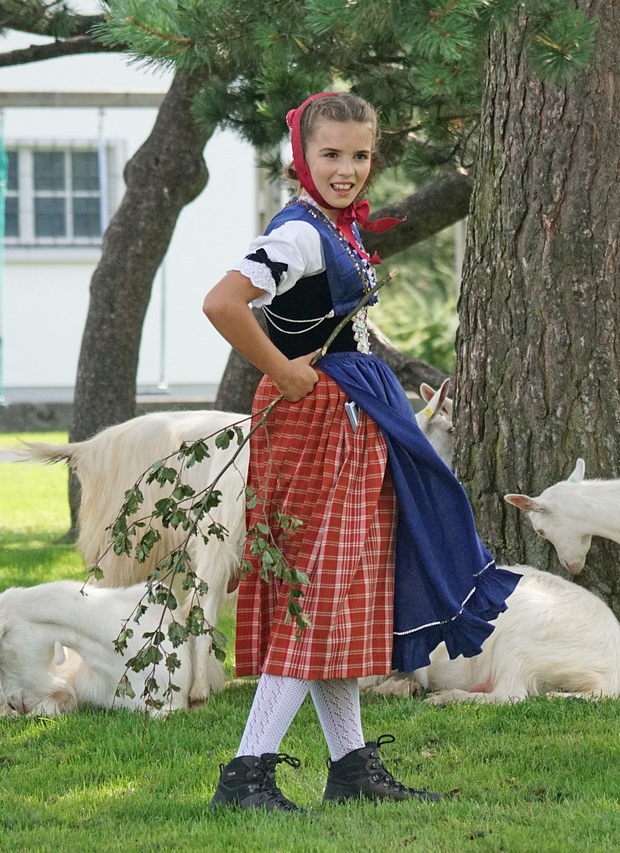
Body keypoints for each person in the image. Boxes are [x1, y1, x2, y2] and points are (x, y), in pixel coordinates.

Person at [201, 91, 520, 812]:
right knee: (314, 596)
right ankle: (247, 772)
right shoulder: (300, 235)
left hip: (349, 421)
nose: (346, 169)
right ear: (301, 158)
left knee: (336, 597)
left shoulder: (330, 228)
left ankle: (349, 768)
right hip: (319, 427)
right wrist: (286, 372)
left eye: (360, 155)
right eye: (331, 155)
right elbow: (223, 302)